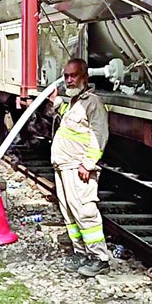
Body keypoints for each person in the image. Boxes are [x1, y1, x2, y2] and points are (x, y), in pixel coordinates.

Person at [50, 58, 110, 277]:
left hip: (78, 168)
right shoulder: (74, 101)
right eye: (66, 75)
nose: (68, 79)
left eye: (73, 75)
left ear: (84, 77)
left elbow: (99, 136)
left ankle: (99, 258)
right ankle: (81, 252)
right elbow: (69, 121)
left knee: (85, 212)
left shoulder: (93, 103)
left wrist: (88, 164)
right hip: (64, 167)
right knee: (69, 213)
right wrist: (57, 103)